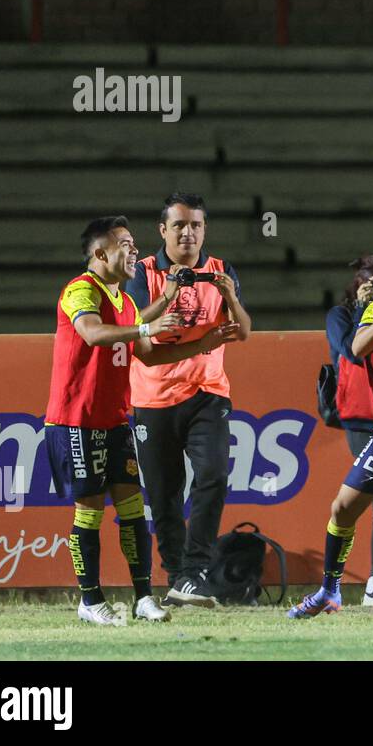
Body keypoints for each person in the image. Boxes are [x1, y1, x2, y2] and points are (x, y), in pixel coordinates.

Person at [46, 216, 239, 625]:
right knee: (90, 512)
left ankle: (142, 597)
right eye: (125, 244)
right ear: (100, 253)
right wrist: (149, 323)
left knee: (134, 508)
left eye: (134, 244)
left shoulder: (125, 300)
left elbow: (148, 352)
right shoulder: (81, 289)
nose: (134, 250)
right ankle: (90, 599)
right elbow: (95, 334)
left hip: (115, 420)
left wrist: (199, 344)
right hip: (76, 420)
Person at [126, 192, 251, 608]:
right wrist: (166, 300)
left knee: (213, 475)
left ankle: (195, 570)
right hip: (153, 395)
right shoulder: (144, 271)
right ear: (162, 231)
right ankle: (178, 575)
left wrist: (231, 298)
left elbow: (244, 330)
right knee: (163, 493)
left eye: (195, 225)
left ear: (204, 230)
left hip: (207, 393)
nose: (188, 232)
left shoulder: (220, 271)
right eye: (179, 225)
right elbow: (132, 325)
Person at [325, 252, 373, 605]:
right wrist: (363, 312)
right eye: (372, 281)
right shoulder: (339, 316)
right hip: (361, 415)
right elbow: (353, 353)